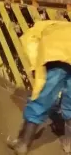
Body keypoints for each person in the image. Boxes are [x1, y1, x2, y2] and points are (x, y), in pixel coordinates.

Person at [7, 20, 71, 154]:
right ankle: (68, 144)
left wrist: (37, 68)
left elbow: (33, 51)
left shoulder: (36, 34)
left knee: (42, 98)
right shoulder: (57, 26)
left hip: (58, 55)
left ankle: (23, 143)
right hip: (64, 50)